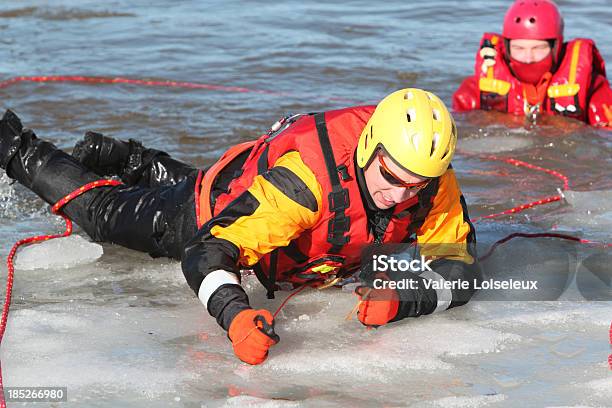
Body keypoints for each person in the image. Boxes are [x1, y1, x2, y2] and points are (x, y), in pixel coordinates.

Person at [0, 88, 479, 365]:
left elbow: (461, 268)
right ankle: (16, 149)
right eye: (392, 178)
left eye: (417, 186)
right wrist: (233, 316)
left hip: (246, 183)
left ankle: (127, 157)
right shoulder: (306, 186)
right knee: (103, 215)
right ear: (371, 146)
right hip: (204, 212)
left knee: (196, 184)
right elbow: (205, 253)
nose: (401, 195)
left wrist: (405, 300)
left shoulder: (432, 184)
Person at [453, 0, 612, 128]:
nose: (528, 58)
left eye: (538, 48)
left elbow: (605, 139)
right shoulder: (473, 90)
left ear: (555, 47)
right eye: (519, 48)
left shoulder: (593, 88)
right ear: (506, 48)